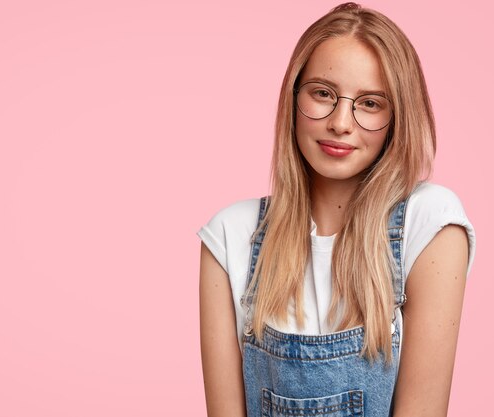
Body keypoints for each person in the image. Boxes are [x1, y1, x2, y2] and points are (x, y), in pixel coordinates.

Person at [197, 3, 476, 417]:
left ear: (398, 118)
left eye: (370, 103)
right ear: (294, 99)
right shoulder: (230, 235)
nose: (341, 123)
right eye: (323, 94)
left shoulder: (430, 223)